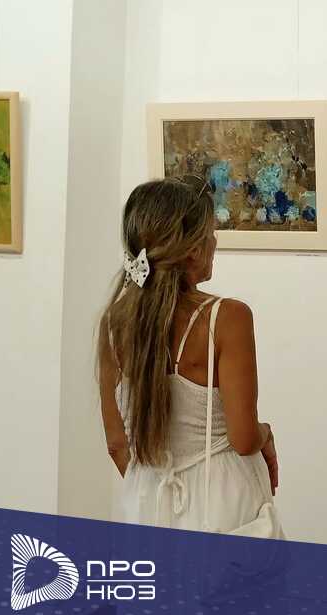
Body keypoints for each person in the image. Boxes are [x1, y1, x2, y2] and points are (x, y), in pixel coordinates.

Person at [96, 176, 282, 537]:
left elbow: (117, 444)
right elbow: (244, 438)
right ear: (194, 250)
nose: (215, 241)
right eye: (211, 233)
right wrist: (266, 432)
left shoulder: (113, 325)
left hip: (148, 499)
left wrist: (153, 492)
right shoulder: (226, 318)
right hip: (222, 499)